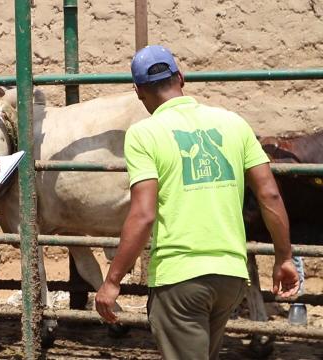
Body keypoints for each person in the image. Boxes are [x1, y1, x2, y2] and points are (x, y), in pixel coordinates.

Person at [95, 45, 300, 359]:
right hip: (230, 276)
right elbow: (269, 194)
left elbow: (144, 214)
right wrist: (284, 257)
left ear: (138, 92)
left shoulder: (144, 134)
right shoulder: (233, 123)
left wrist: (112, 280)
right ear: (181, 77)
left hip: (180, 278)